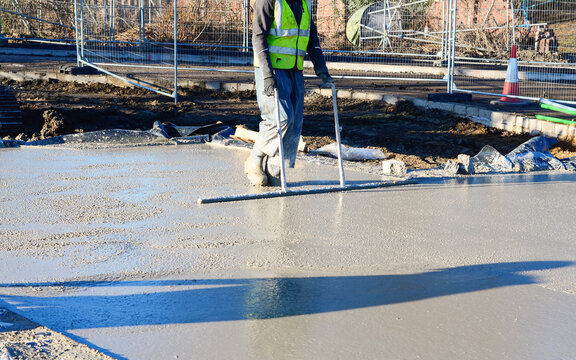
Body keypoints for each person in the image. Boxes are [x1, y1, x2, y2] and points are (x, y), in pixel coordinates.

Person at [246, 0, 333, 186]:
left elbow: (311, 36)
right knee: (280, 118)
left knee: (294, 124)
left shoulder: (305, 2)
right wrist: (267, 74)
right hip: (271, 69)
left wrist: (321, 67)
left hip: (295, 69)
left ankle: (276, 170)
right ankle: (255, 160)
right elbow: (258, 35)